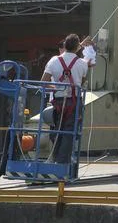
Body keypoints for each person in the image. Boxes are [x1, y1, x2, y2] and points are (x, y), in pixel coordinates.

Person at [41, 34, 91, 164]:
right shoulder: (82, 64)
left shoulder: (53, 61)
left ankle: (54, 158)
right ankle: (62, 162)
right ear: (77, 47)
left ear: (65, 46)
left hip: (57, 102)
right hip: (74, 102)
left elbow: (43, 82)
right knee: (69, 132)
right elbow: (82, 82)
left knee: (57, 130)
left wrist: (58, 87)